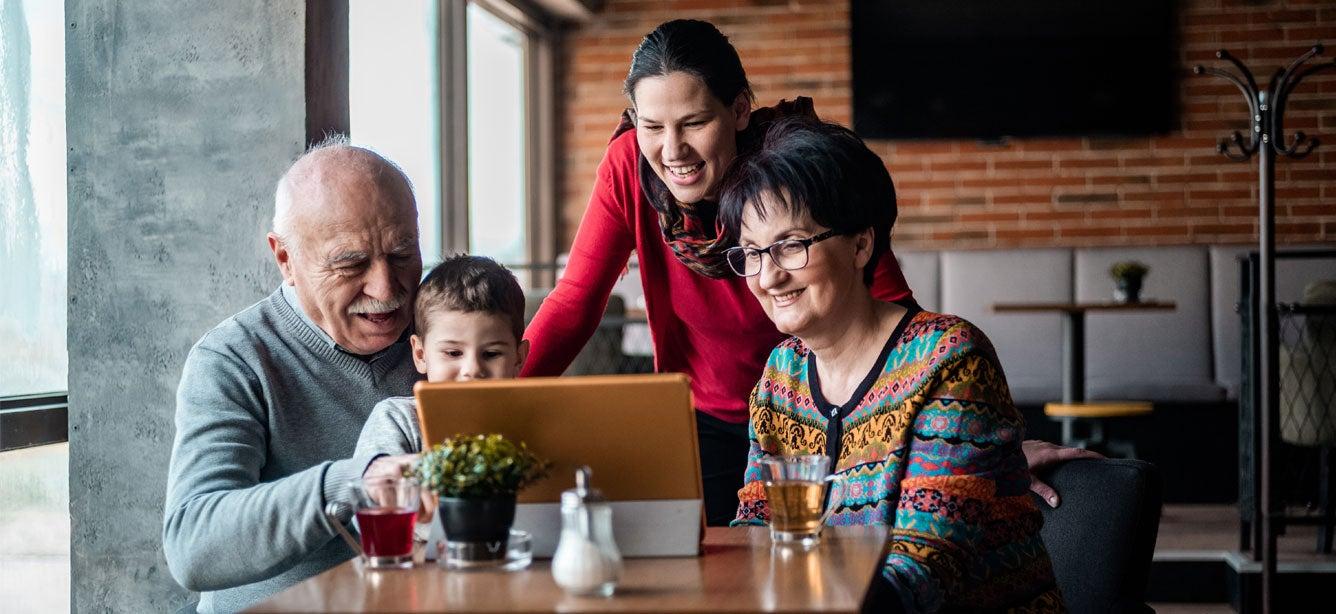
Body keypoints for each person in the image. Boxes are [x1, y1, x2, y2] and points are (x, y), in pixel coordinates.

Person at [520, 19, 916, 526]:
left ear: (739, 110)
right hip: (700, 415)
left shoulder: (794, 168)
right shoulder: (629, 167)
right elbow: (575, 300)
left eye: (694, 122)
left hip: (815, 406)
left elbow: (887, 302)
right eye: (652, 126)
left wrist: (966, 424)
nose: (672, 149)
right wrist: (489, 410)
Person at [723, 118, 1063, 611]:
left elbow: (924, 564)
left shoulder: (947, 358)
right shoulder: (782, 377)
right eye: (752, 252)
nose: (769, 276)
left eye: (790, 246)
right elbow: (757, 534)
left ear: (861, 244)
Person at [162, 138, 424, 613]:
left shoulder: (445, 340)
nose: (386, 287)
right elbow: (193, 545)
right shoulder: (233, 359)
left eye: (403, 254)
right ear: (284, 258)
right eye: (351, 263)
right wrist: (351, 483)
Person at [354, 254, 529, 460]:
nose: (472, 369)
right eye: (453, 353)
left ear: (519, 358)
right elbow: (373, 485)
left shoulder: (532, 420)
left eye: (491, 354)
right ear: (420, 355)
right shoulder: (398, 420)